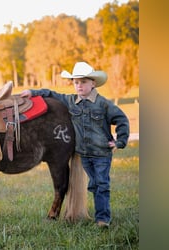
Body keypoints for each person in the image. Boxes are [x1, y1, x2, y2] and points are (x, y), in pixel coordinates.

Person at [20, 61, 130, 228]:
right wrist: (32, 92)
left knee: (102, 185)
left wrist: (120, 141)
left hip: (101, 154)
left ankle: (103, 219)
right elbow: (51, 93)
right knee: (93, 185)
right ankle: (97, 212)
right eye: (76, 82)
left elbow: (122, 119)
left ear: (93, 83)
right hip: (84, 154)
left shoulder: (104, 104)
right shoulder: (71, 101)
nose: (79, 86)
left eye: (83, 82)